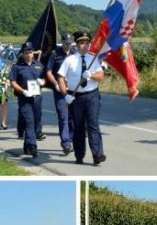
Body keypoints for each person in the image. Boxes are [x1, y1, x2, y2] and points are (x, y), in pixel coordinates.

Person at [57, 30, 106, 165]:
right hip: (76, 97)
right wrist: (65, 94)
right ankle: (79, 155)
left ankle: (97, 154)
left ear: (89, 44)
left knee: (93, 125)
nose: (84, 46)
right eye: (81, 43)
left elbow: (101, 76)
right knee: (78, 127)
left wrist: (91, 75)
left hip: (92, 96)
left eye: (86, 43)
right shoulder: (70, 60)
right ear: (76, 45)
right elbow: (60, 78)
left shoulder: (93, 59)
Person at [10, 41, 47, 158]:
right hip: (24, 98)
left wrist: (43, 82)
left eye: (30, 52)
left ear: (33, 53)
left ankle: (27, 145)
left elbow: (45, 78)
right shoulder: (17, 67)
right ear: (23, 53)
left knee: (36, 122)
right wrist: (22, 91)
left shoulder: (39, 65)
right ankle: (33, 146)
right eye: (26, 52)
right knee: (29, 121)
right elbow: (12, 82)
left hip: (37, 98)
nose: (29, 55)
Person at [47, 32, 76, 155]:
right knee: (63, 117)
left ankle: (70, 139)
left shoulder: (76, 54)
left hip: (74, 90)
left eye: (69, 43)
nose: (68, 46)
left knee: (72, 118)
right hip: (60, 91)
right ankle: (65, 143)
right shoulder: (55, 54)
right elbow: (48, 71)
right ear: (62, 42)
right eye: (66, 43)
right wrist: (55, 84)